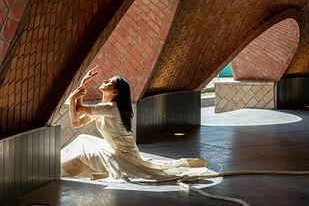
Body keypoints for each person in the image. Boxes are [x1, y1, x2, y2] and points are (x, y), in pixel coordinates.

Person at [61, 66, 207, 181]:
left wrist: (75, 97)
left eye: (109, 82)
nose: (104, 81)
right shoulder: (104, 108)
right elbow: (77, 123)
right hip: (117, 149)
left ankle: (53, 169)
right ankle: (55, 167)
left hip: (124, 154)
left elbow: (78, 109)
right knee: (83, 140)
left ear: (115, 92)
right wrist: (79, 89)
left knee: (82, 148)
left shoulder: (110, 108)